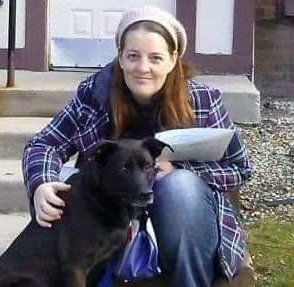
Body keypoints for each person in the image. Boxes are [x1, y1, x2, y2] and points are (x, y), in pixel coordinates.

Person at [22, 5, 252, 287]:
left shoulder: (203, 100)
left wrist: (179, 170)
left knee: (180, 186)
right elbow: (45, 143)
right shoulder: (96, 94)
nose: (143, 68)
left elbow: (239, 167)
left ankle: (190, 281)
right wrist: (41, 183)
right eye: (133, 56)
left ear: (172, 60)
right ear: (120, 57)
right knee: (77, 184)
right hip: (109, 216)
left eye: (155, 58)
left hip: (183, 217)